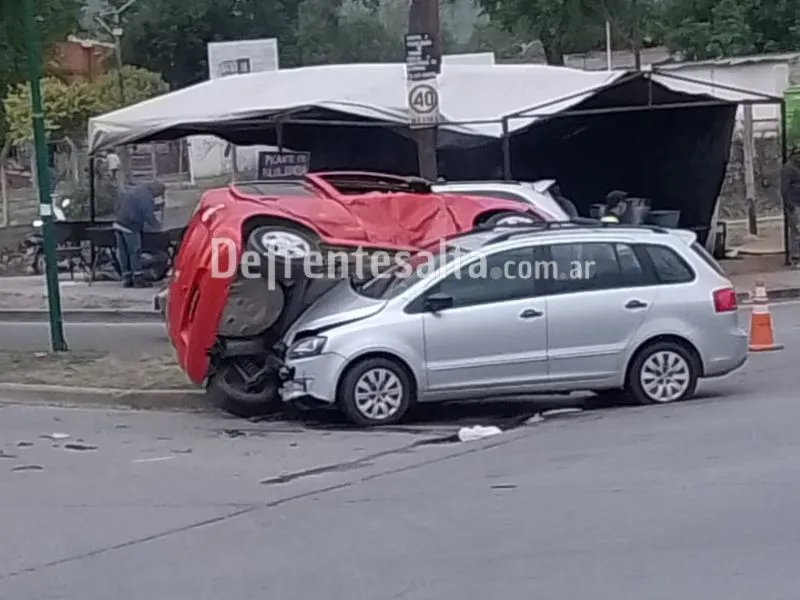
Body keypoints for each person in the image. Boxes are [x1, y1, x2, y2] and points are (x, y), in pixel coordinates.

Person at [113, 180, 165, 288]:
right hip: (130, 226)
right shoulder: (146, 196)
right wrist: (159, 227)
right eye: (158, 193)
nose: (157, 196)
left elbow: (134, 206)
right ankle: (138, 279)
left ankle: (127, 278)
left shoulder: (137, 189)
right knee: (135, 252)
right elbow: (147, 214)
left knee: (124, 253)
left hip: (119, 222)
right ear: (156, 189)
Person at [780, 147, 800, 267]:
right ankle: (796, 257)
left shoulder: (797, 167)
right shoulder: (788, 168)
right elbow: (784, 188)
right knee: (797, 232)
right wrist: (790, 204)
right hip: (795, 204)